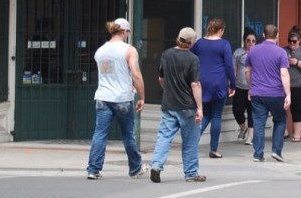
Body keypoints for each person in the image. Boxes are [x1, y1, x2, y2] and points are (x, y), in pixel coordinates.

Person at [86, 17, 146, 180]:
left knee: (99, 133)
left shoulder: (100, 51)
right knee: (128, 134)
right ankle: (135, 168)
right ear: (125, 31)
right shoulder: (129, 50)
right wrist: (142, 96)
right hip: (122, 98)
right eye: (128, 32)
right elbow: (136, 74)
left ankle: (93, 168)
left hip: (103, 97)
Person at [150, 27, 206, 183]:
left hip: (169, 104)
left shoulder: (166, 55)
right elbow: (195, 84)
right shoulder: (193, 59)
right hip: (188, 106)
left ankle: (156, 165)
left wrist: (169, 91)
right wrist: (200, 108)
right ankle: (191, 173)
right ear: (190, 42)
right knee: (190, 140)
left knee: (164, 137)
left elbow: (161, 79)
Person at [245, 23, 291, 163]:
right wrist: (288, 94)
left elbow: (247, 71)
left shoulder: (253, 51)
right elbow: (284, 74)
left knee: (258, 123)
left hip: (258, 93)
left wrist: (250, 87)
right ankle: (276, 151)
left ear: (263, 35)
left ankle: (258, 154)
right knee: (280, 119)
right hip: (276, 93)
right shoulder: (281, 52)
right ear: (277, 36)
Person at [193, 18, 236, 158]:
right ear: (220, 30)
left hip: (202, 82)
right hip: (219, 83)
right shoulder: (224, 44)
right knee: (216, 115)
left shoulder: (199, 43)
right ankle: (213, 149)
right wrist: (233, 84)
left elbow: (192, 59)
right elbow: (229, 66)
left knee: (204, 114)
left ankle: (193, 142)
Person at [232, 28, 256, 145]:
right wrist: (231, 83)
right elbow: (234, 69)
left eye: (253, 41)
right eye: (248, 41)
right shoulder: (238, 52)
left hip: (254, 88)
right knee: (237, 110)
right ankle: (243, 127)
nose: (251, 43)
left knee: (252, 112)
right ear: (244, 41)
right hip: (239, 87)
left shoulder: (258, 52)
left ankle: (250, 137)